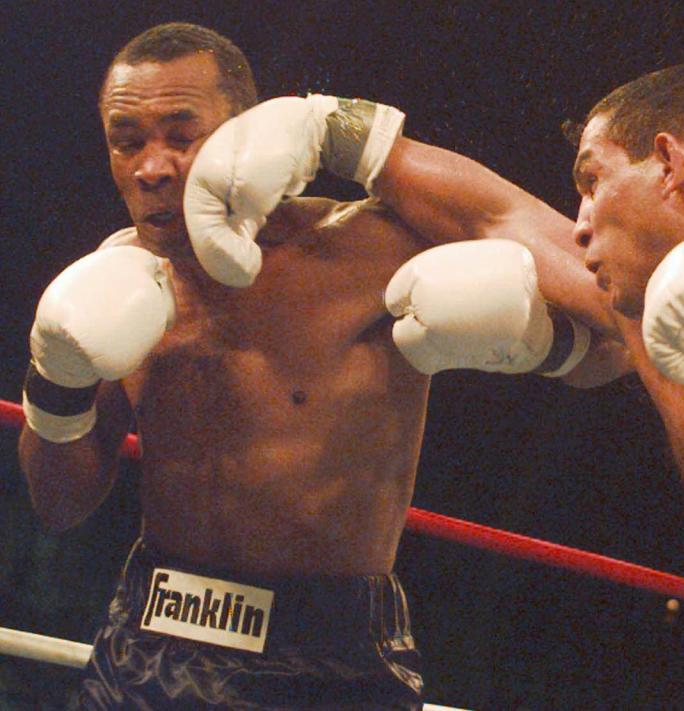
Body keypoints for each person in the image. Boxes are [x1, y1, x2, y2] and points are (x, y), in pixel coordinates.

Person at [191, 63, 684, 708]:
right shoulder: (654, 325)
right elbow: (497, 217)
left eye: (593, 183)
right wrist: (340, 133)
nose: (580, 221)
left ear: (668, 162)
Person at [18, 22, 613, 710]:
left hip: (328, 657)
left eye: (182, 135)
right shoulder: (113, 281)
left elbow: (606, 318)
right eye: (128, 141)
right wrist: (55, 380)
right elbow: (57, 506)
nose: (152, 166)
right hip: (148, 646)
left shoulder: (363, 247)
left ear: (242, 134)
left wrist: (351, 134)